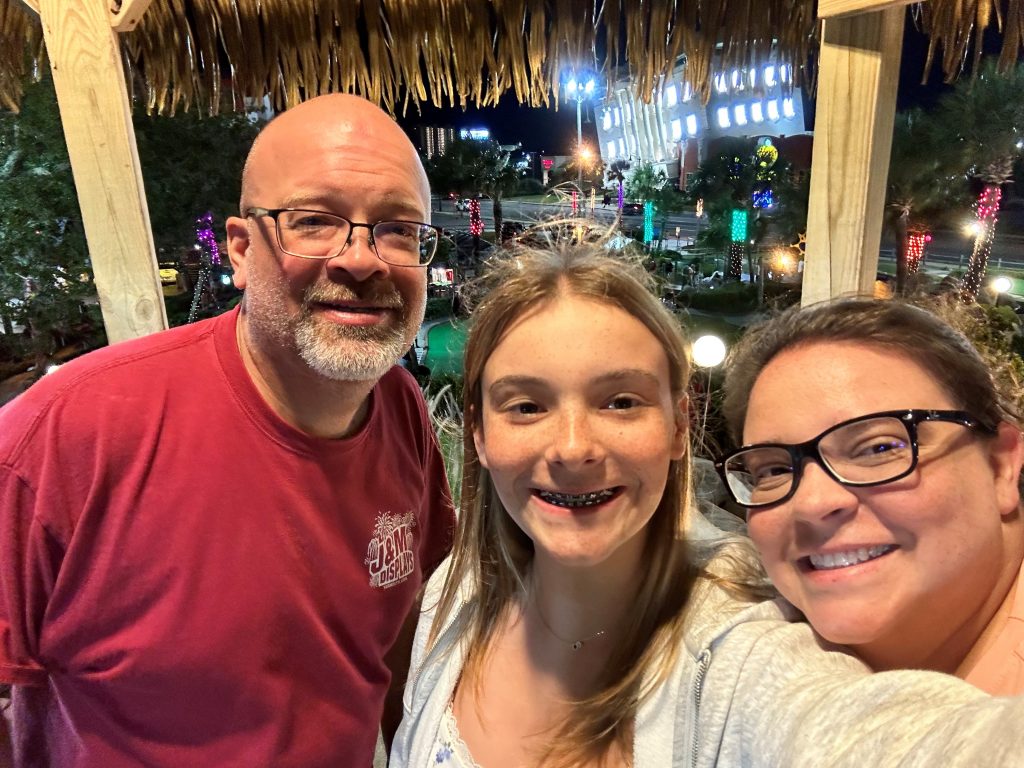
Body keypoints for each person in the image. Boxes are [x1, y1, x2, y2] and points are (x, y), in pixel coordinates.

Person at [391, 240, 1024, 768]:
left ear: (677, 426)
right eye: (525, 406)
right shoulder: (461, 590)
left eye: (620, 402)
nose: (574, 447)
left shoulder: (736, 649)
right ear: (478, 433)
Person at [0, 93, 455, 767]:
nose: (363, 260)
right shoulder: (67, 433)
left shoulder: (400, 407)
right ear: (240, 250)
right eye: (315, 221)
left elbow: (397, 644)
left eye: (397, 228)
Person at [718, 298, 1024, 695]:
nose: (812, 504)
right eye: (774, 470)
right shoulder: (739, 650)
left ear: (1000, 466)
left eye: (878, 448)